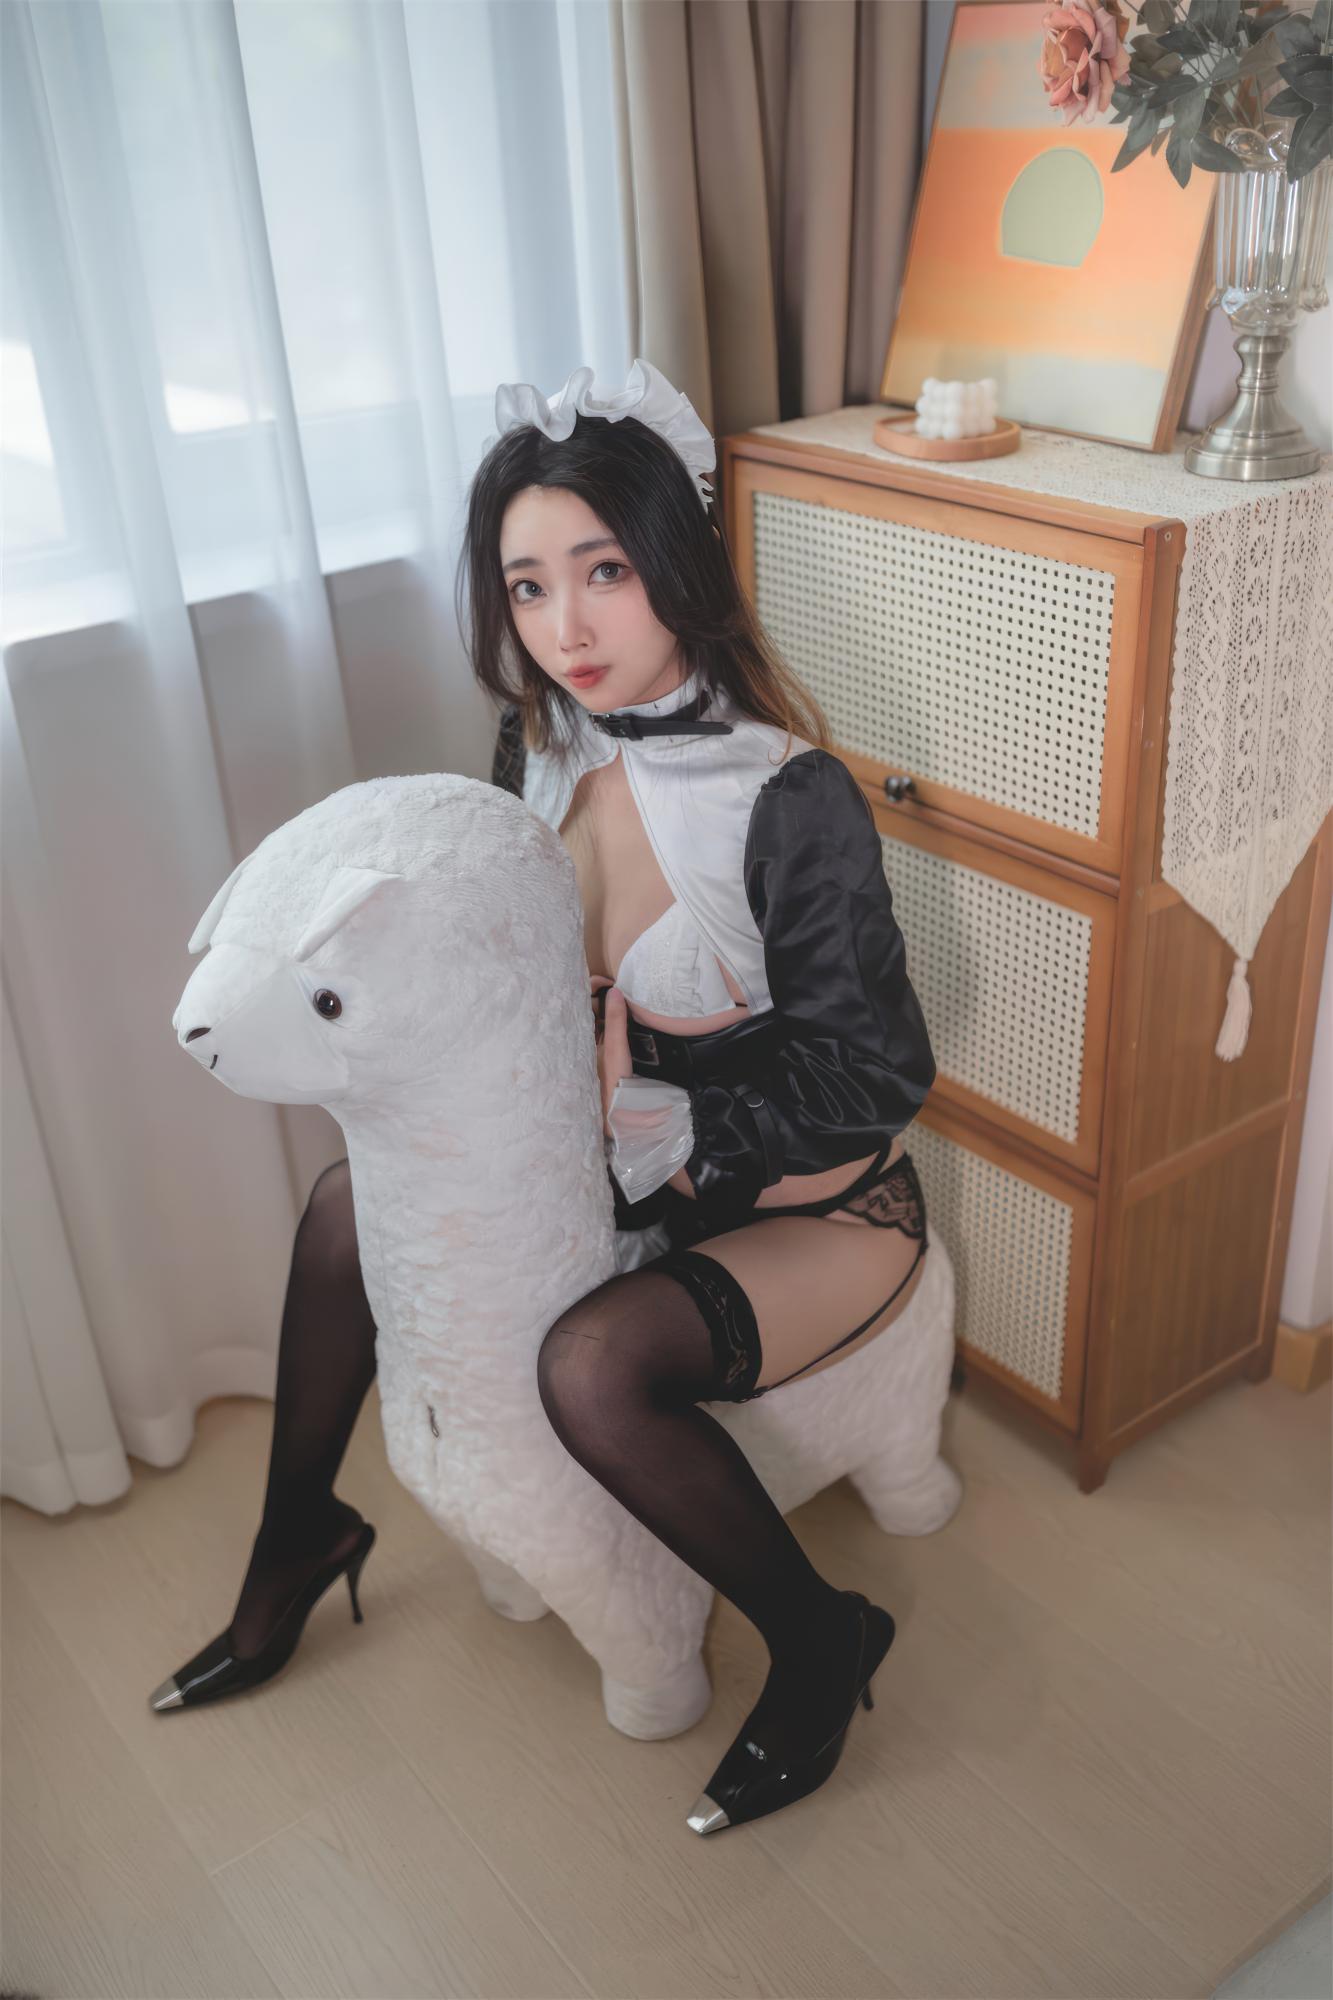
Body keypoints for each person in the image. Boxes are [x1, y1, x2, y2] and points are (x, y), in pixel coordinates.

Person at [150, 358, 937, 1838]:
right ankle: (297, 1536)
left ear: (678, 564)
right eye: (526, 587)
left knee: (590, 1365)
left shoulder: (787, 796)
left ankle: (821, 1635)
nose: (565, 629)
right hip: (614, 1167)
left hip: (807, 1203)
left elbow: (878, 1074)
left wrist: (683, 1129)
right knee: (342, 1210)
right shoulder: (542, 744)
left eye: (604, 572)